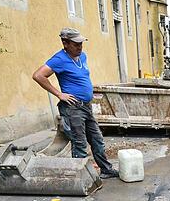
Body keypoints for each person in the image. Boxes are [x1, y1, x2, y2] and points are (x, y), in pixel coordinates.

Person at [32, 27, 118, 179]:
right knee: (79, 143)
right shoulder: (59, 59)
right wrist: (59, 94)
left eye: (81, 43)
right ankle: (80, 177)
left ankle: (105, 169)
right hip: (72, 108)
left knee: (97, 138)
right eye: (76, 44)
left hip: (86, 106)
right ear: (65, 43)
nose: (80, 47)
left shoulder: (82, 56)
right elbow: (38, 75)